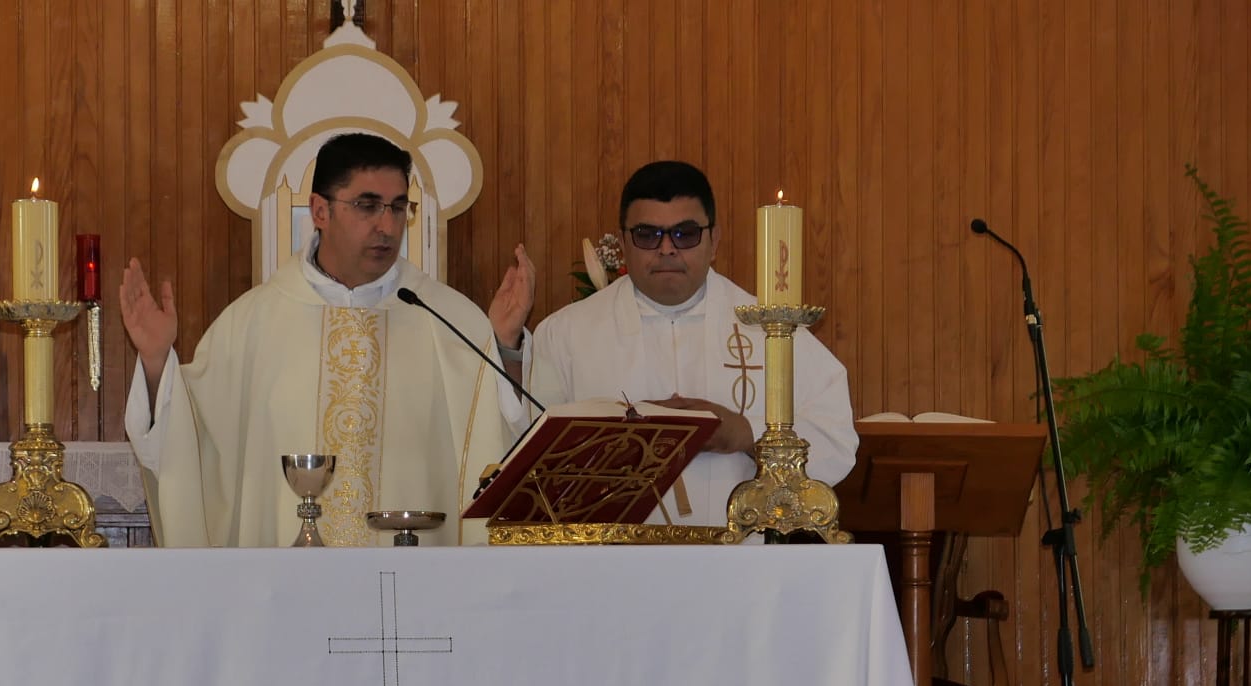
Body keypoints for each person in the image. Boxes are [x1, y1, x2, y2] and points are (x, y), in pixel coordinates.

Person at [119, 133, 534, 547]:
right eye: (367, 205)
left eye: (398, 207)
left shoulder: (446, 318)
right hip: (286, 593)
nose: (387, 226)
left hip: (413, 593)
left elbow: (500, 443)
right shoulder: (250, 324)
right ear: (320, 210)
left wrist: (504, 345)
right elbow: (189, 443)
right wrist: (156, 362)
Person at [524, 161, 858, 528]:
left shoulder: (770, 329)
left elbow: (837, 441)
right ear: (622, 243)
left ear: (714, 241)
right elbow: (531, 459)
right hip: (612, 561)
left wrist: (746, 434)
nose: (667, 249)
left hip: (737, 558)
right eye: (647, 235)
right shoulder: (566, 334)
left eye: (685, 234)